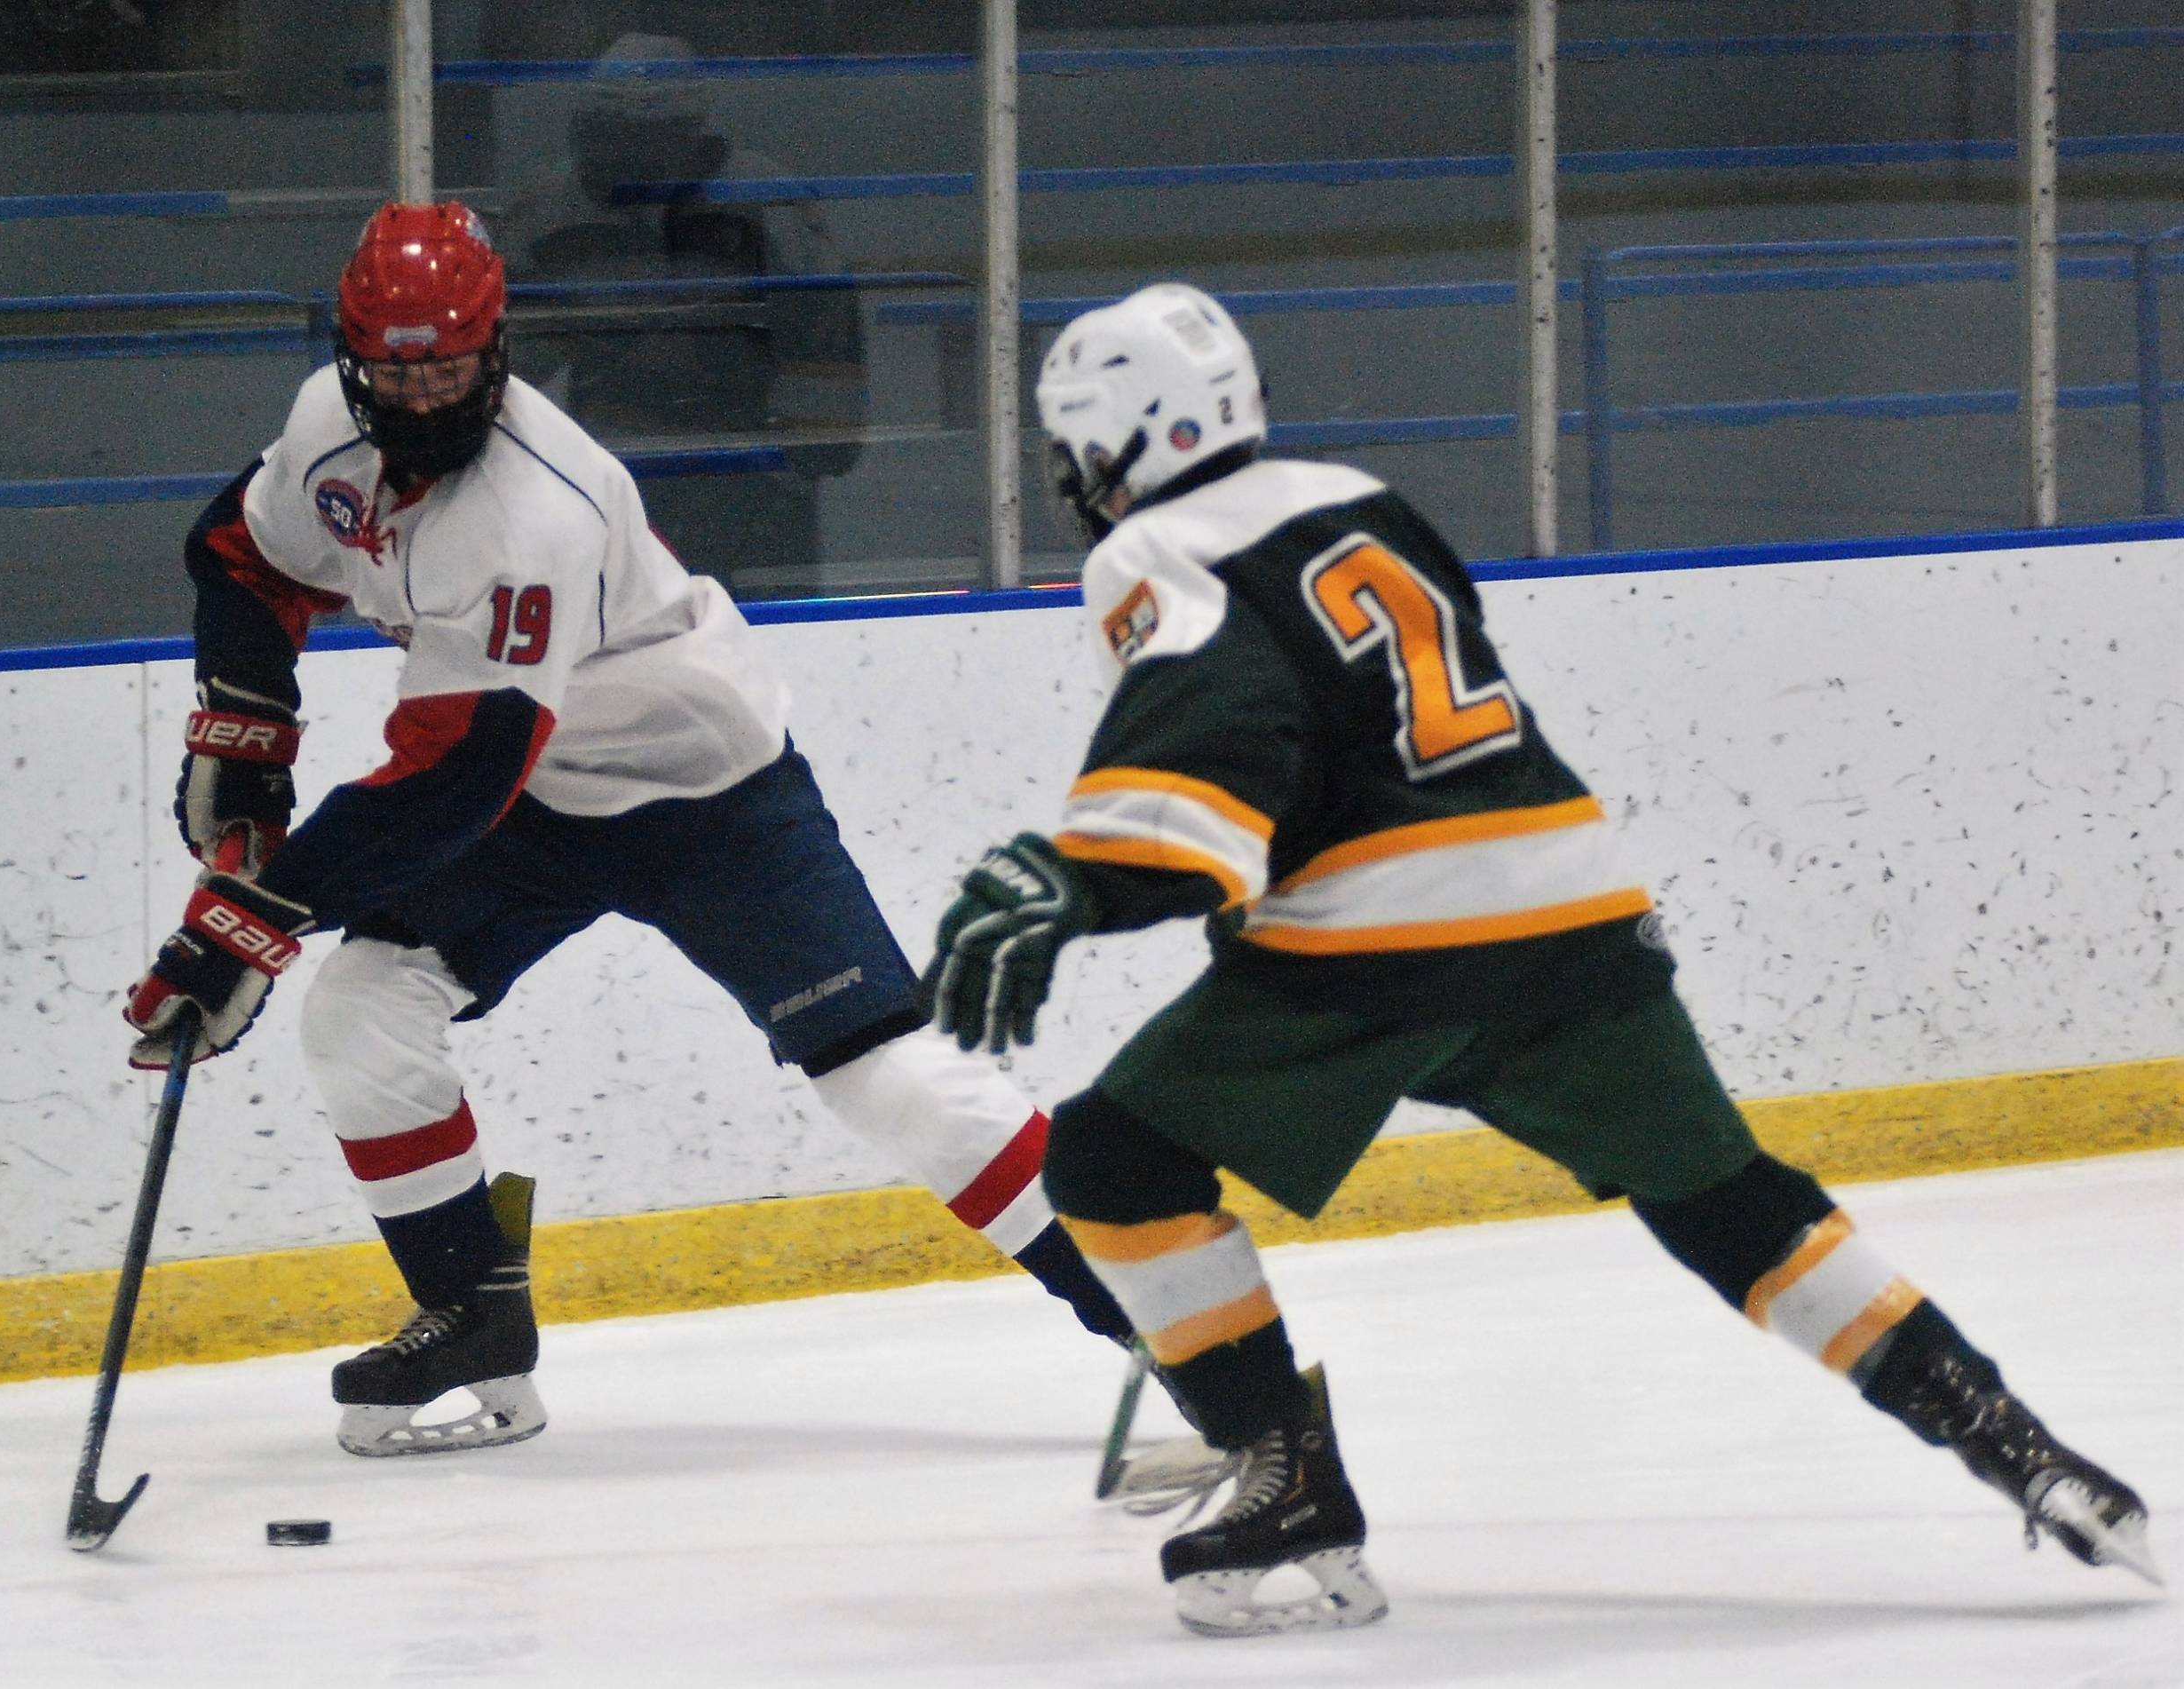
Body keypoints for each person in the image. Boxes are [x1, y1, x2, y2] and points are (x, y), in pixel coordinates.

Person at [924, 282, 2160, 1637]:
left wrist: (1084, 871)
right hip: (1570, 901)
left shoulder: (1153, 551)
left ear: (1116, 442)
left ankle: (1287, 1479)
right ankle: (2013, 1441)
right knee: (1727, 1196)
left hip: (1383, 938)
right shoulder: (1362, 496)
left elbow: (1225, 721)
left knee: (1109, 1162)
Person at [122, 200, 1128, 1459]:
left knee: (890, 1081)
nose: (421, 394)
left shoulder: (535, 511)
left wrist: (245, 923)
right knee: (359, 1014)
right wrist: (246, 726)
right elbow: (239, 555)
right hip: (536, 801)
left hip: (705, 794)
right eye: (393, 367)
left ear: (496, 350)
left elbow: (451, 782)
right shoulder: (327, 429)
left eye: (446, 366)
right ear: (350, 352)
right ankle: (474, 1317)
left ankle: (1174, 1322)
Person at [501, 35, 866, 599]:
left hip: (748, 479)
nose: (635, 154)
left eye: (651, 134)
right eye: (618, 132)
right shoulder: (549, 210)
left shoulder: (767, 201)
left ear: (694, 126)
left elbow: (825, 332)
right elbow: (513, 363)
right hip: (614, 474)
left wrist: (815, 446)